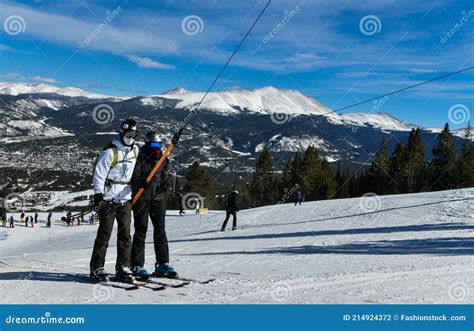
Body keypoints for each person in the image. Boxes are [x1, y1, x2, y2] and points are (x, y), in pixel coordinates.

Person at [89, 119, 139, 282]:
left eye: (133, 133)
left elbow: (135, 172)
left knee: (125, 235)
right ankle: (97, 267)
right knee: (105, 233)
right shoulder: (111, 151)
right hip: (109, 198)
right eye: (127, 133)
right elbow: (99, 174)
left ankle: (123, 267)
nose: (130, 136)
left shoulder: (135, 151)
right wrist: (98, 194)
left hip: (125, 198)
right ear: (122, 132)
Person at [130, 131, 177, 279]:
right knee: (141, 230)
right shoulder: (139, 158)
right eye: (153, 145)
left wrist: (164, 185)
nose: (156, 147)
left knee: (160, 230)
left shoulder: (163, 159)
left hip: (158, 198)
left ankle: (163, 264)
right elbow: (133, 177)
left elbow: (163, 176)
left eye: (159, 144)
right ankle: (137, 265)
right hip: (141, 198)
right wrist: (139, 182)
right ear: (147, 144)